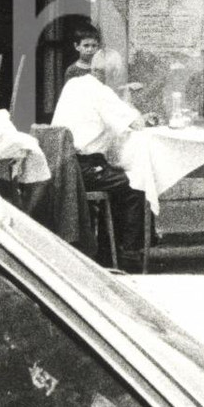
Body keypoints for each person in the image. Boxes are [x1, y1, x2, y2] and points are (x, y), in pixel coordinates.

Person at [51, 67, 148, 270]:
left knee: (117, 179)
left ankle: (107, 252)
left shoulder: (71, 86)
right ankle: (129, 256)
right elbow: (136, 122)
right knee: (136, 183)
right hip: (84, 168)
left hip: (63, 168)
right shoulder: (98, 90)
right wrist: (127, 99)